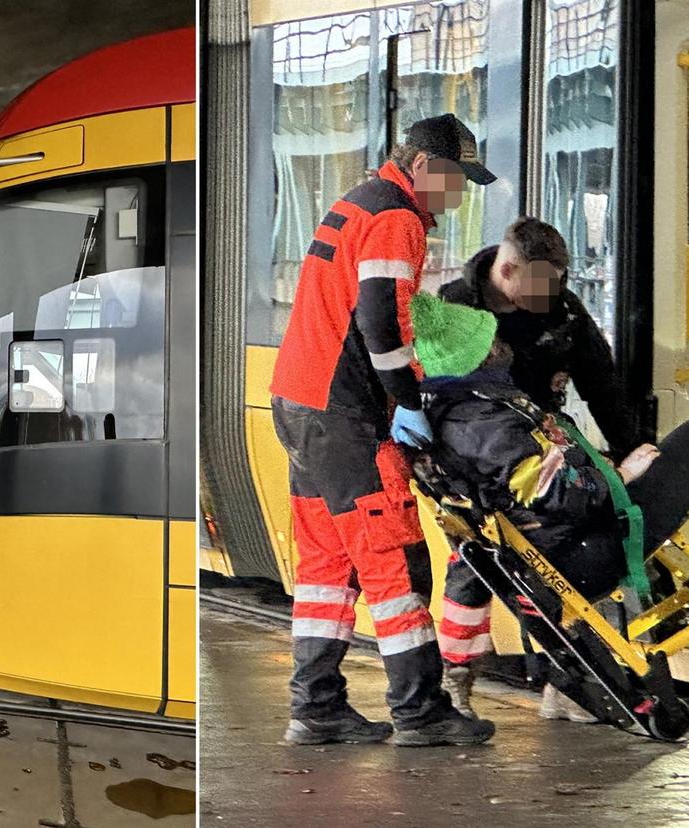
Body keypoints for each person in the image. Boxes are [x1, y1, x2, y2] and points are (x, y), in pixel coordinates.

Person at [269, 113, 498, 747]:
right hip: (344, 414)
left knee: (327, 565)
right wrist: (407, 399)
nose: (457, 198)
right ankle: (420, 711)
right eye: (454, 180)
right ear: (422, 166)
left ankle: (315, 707)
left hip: (298, 405)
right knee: (393, 559)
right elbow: (381, 324)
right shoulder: (395, 218)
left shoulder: (355, 200)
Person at [409, 293, 689, 718]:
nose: (500, 343)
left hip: (555, 550)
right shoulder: (486, 424)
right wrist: (624, 474)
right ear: (476, 358)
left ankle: (568, 688)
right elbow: (564, 497)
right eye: (490, 341)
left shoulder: (460, 414)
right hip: (585, 549)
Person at [435, 218, 642, 718]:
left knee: (563, 560)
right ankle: (455, 682)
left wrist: (633, 452)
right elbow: (431, 398)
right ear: (508, 271)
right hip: (479, 460)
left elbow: (603, 386)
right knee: (481, 560)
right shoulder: (455, 309)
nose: (553, 298)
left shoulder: (563, 311)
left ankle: (566, 681)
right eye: (543, 287)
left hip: (544, 452)